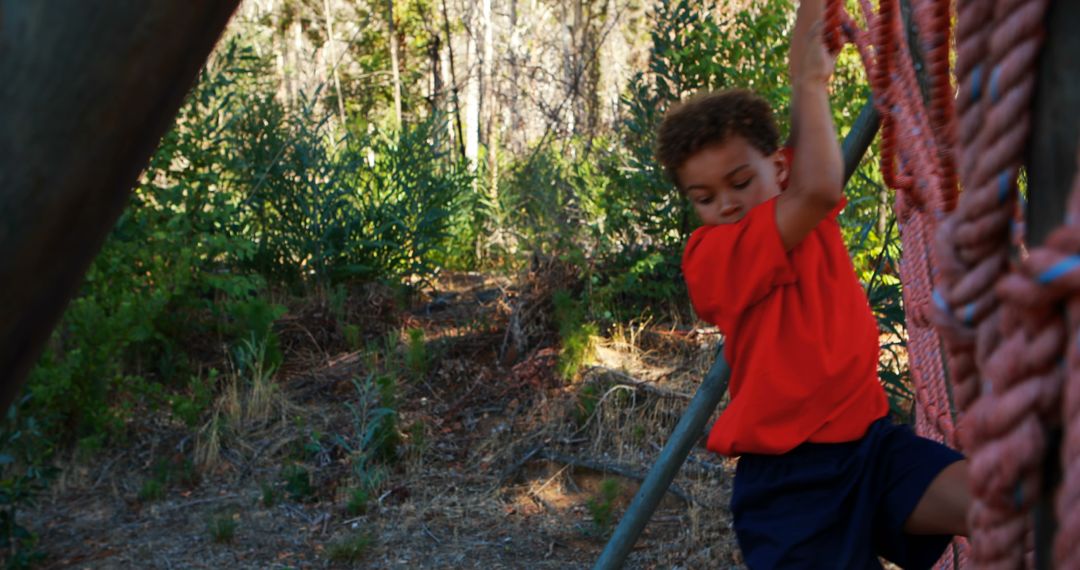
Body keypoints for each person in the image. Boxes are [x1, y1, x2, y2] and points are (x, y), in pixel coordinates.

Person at [654, 1, 971, 568]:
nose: (725, 204)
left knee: (999, 497)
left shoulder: (797, 194)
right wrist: (808, 78)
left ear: (779, 168)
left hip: (871, 450)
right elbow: (819, 189)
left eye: (739, 181)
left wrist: (811, 29)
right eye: (704, 198)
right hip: (790, 487)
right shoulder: (712, 255)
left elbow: (810, 152)